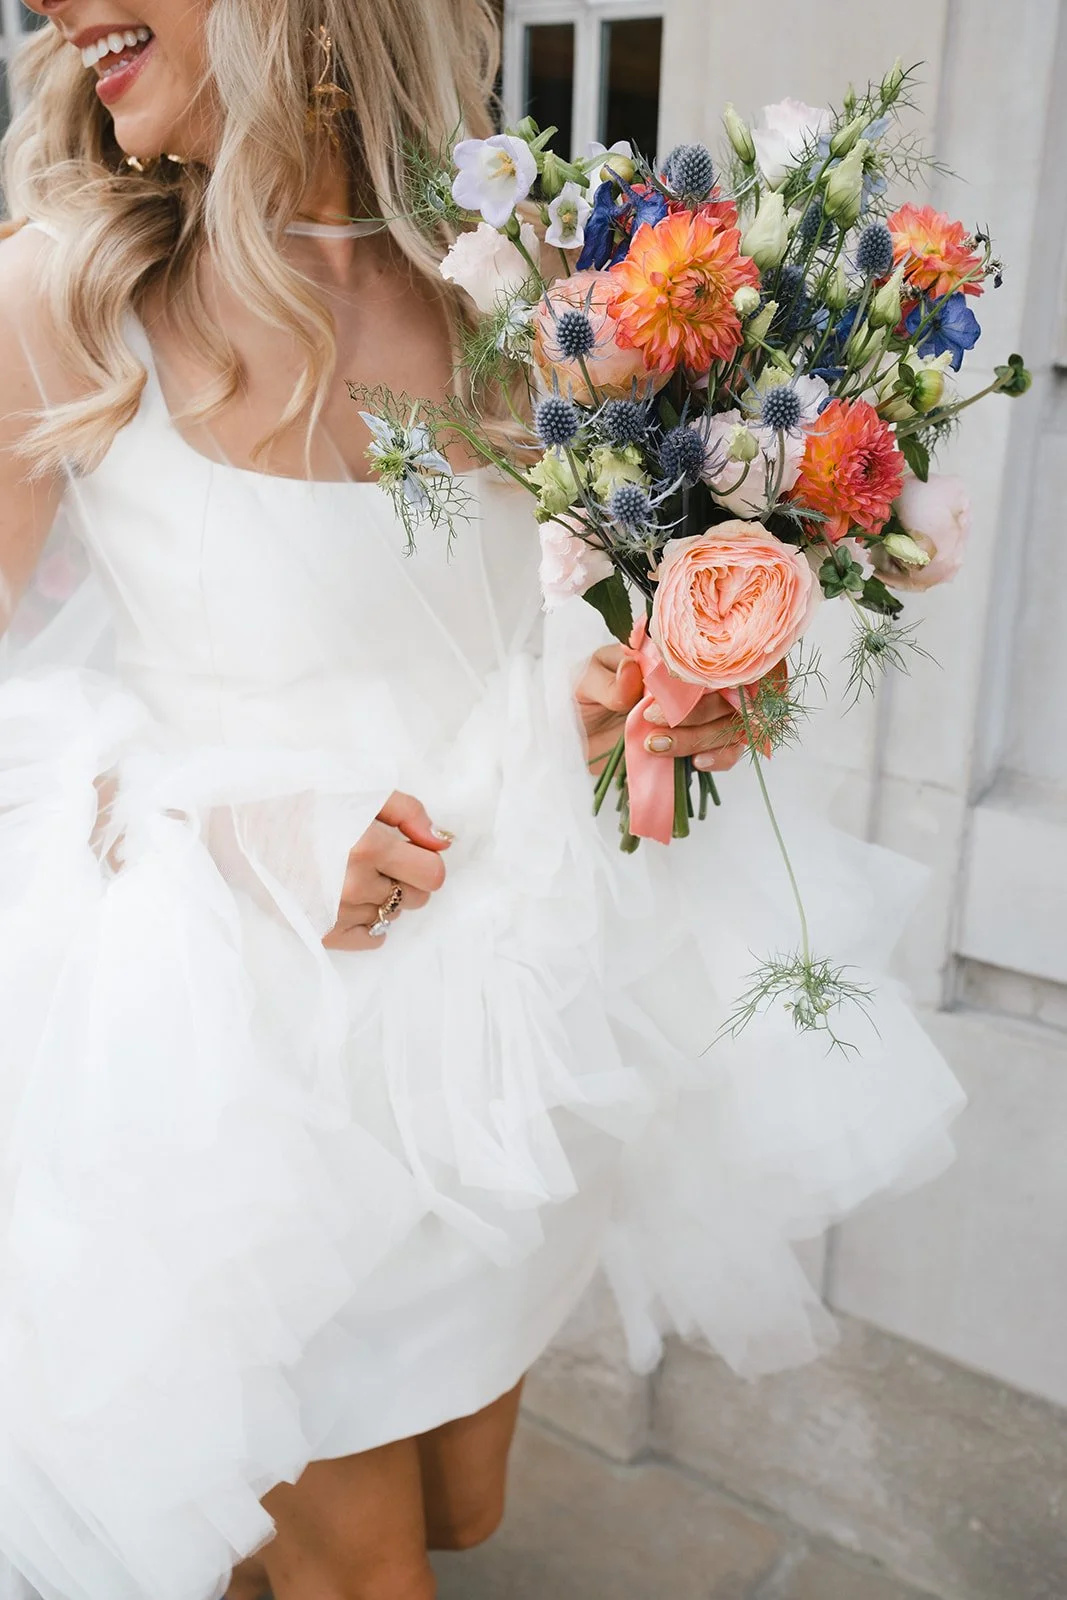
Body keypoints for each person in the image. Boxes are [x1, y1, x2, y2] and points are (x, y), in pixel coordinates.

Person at [0, 4, 965, 1599]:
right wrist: (220, 831)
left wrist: (637, 695)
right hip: (238, 1071)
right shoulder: (59, 293)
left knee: (453, 1505)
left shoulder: (526, 284)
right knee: (360, 1568)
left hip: (513, 1022)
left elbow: (514, 620)